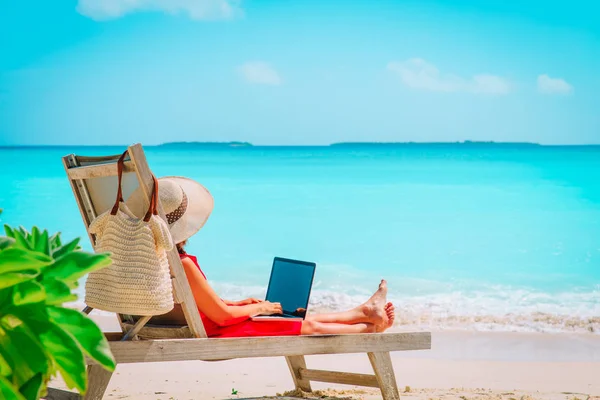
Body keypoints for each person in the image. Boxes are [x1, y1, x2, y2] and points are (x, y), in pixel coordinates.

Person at [127, 176, 395, 338]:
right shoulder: (182, 263)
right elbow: (220, 317)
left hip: (204, 324)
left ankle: (362, 312)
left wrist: (237, 303)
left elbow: (197, 302)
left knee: (296, 319)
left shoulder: (155, 258)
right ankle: (370, 329)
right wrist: (259, 308)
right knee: (308, 325)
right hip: (216, 331)